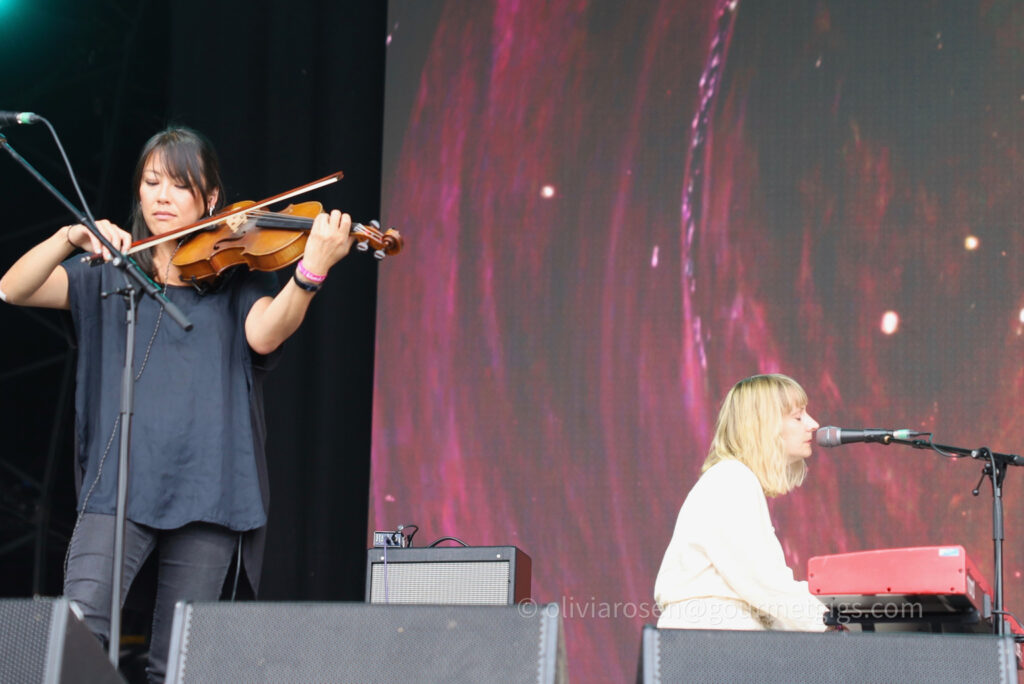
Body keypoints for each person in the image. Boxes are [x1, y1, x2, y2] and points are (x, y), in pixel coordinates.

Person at [0, 126, 356, 682]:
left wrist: (309, 274)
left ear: (210, 199)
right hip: (118, 488)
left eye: (179, 185)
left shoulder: (234, 278)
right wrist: (71, 236)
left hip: (209, 491)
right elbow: (12, 288)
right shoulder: (109, 274)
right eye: (151, 182)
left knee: (177, 667)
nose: (162, 197)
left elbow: (265, 334)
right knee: (75, 635)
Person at [653, 373, 829, 631]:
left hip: (715, 639)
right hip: (708, 641)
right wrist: (830, 623)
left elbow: (763, 591)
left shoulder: (735, 480)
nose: (813, 424)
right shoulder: (731, 479)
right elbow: (764, 582)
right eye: (798, 417)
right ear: (763, 426)